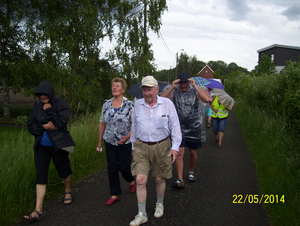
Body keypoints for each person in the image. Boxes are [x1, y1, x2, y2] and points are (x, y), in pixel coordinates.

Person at [129, 75, 181, 226]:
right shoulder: (137, 105)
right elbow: (134, 126)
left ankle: (159, 203)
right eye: (144, 90)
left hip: (162, 145)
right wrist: (133, 145)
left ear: (157, 89)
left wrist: (175, 147)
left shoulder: (167, 104)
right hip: (141, 146)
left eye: (150, 89)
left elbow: (175, 126)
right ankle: (141, 213)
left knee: (159, 178)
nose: (147, 93)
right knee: (140, 180)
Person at [23, 81, 75, 223]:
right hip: (41, 146)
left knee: (63, 170)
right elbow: (30, 125)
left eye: (45, 94)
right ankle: (37, 210)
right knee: (41, 174)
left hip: (58, 144)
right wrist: (45, 126)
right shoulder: (36, 106)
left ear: (50, 93)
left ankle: (68, 189)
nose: (42, 96)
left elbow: (60, 123)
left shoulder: (61, 104)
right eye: (40, 94)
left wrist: (49, 111)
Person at [160, 72, 209, 188]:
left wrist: (195, 86)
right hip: (179, 128)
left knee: (193, 153)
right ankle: (180, 178)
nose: (183, 86)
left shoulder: (194, 91)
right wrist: (172, 87)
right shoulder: (175, 91)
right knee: (179, 152)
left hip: (194, 127)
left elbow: (206, 99)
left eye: (185, 83)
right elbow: (160, 99)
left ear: (189, 82)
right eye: (181, 83)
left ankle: (191, 172)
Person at [96, 77, 136, 206]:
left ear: (123, 90)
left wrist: (128, 137)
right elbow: (102, 123)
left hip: (125, 142)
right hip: (109, 140)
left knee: (124, 167)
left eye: (117, 86)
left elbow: (136, 124)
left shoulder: (130, 105)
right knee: (112, 168)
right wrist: (99, 142)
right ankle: (115, 194)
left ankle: (130, 180)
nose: (114, 87)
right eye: (113, 85)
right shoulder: (106, 105)